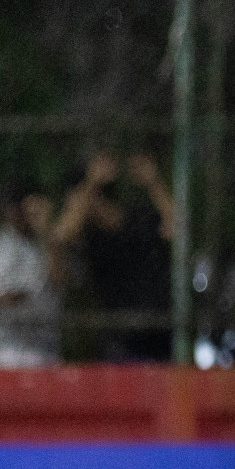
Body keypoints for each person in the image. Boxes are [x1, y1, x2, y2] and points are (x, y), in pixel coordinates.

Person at [62, 151, 175, 361]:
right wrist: (91, 181)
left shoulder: (138, 218)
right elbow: (64, 233)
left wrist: (154, 182)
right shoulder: (88, 234)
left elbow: (177, 227)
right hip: (120, 339)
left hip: (160, 331)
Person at [0, 178, 67, 367]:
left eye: (20, 208)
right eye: (10, 208)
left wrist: (47, 232)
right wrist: (1, 301)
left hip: (42, 353)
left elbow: (61, 281)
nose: (15, 214)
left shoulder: (52, 243)